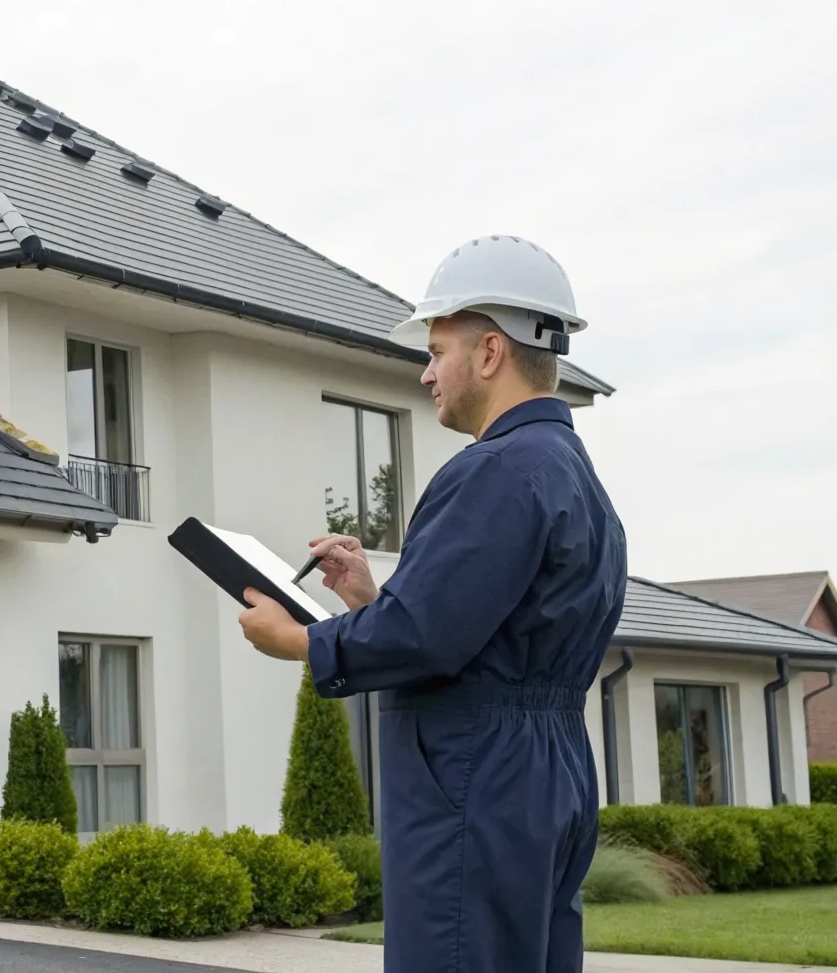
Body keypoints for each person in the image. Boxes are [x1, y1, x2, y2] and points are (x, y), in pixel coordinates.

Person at [237, 236, 627, 973]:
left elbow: (424, 639)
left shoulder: (496, 470)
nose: (426, 372)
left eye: (437, 349)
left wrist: (297, 640)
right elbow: (480, 629)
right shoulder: (574, 477)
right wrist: (373, 600)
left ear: (488, 353)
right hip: (548, 771)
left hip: (475, 774)